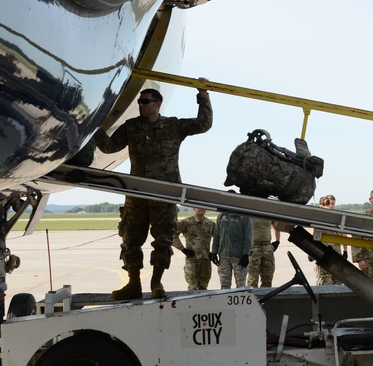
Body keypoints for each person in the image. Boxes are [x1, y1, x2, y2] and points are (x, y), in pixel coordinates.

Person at [93, 81, 213, 300]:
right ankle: (133, 283)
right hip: (137, 194)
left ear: (157, 104)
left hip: (164, 195)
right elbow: (109, 147)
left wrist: (203, 95)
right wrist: (93, 126)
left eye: (145, 101)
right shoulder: (131, 127)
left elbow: (204, 124)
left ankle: (157, 282)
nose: (140, 104)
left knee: (163, 241)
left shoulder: (173, 126)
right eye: (140, 101)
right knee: (130, 240)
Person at [176, 207, 215, 291]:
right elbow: (172, 235)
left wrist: (215, 251)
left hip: (206, 260)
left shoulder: (210, 223)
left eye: (204, 206)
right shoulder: (186, 222)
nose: (202, 208)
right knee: (192, 288)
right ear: (193, 208)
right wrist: (183, 249)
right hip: (192, 260)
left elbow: (219, 238)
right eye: (198, 206)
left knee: (203, 288)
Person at [211, 210, 253, 289]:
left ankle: (240, 301)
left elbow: (248, 237)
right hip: (224, 257)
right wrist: (214, 252)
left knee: (241, 285)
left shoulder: (245, 217)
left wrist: (246, 254)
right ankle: (224, 301)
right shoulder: (221, 216)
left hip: (239, 257)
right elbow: (216, 236)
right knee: (224, 285)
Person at [313, 194, 348, 285]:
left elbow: (344, 235)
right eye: (329, 204)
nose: (330, 206)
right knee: (325, 280)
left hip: (335, 252)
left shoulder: (338, 218)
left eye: (332, 204)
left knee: (337, 281)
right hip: (322, 251)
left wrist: (345, 251)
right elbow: (314, 234)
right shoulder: (318, 217)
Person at [247, 218, 277, 287]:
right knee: (253, 278)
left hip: (267, 246)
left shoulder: (268, 212)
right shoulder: (251, 213)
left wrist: (277, 240)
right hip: (255, 246)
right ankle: (252, 296)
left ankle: (265, 296)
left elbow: (276, 225)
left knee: (268, 277)